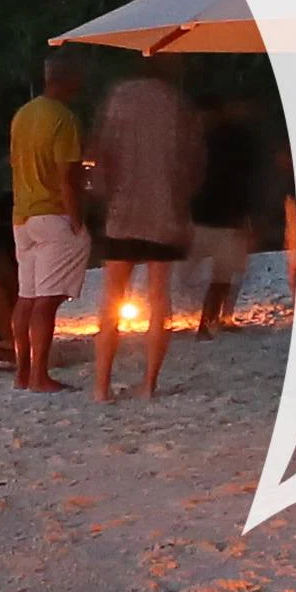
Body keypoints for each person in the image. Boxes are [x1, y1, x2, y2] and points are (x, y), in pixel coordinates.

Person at [87, 53, 199, 401]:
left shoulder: (118, 98)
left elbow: (100, 155)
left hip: (123, 212)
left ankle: (101, 386)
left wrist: (103, 197)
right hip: (164, 213)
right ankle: (149, 383)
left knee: (111, 300)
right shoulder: (177, 104)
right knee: (158, 299)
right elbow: (193, 163)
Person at [3, 49, 94, 392]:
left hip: (22, 215)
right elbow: (67, 175)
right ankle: (40, 375)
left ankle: (23, 373)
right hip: (52, 212)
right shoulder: (64, 119)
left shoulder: (23, 115)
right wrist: (78, 220)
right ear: (69, 79)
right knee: (47, 299)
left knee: (27, 297)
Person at [188, 83, 276, 332]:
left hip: (217, 214)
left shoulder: (215, 140)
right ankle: (211, 321)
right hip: (220, 215)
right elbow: (248, 179)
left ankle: (213, 319)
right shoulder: (231, 140)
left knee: (222, 275)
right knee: (221, 275)